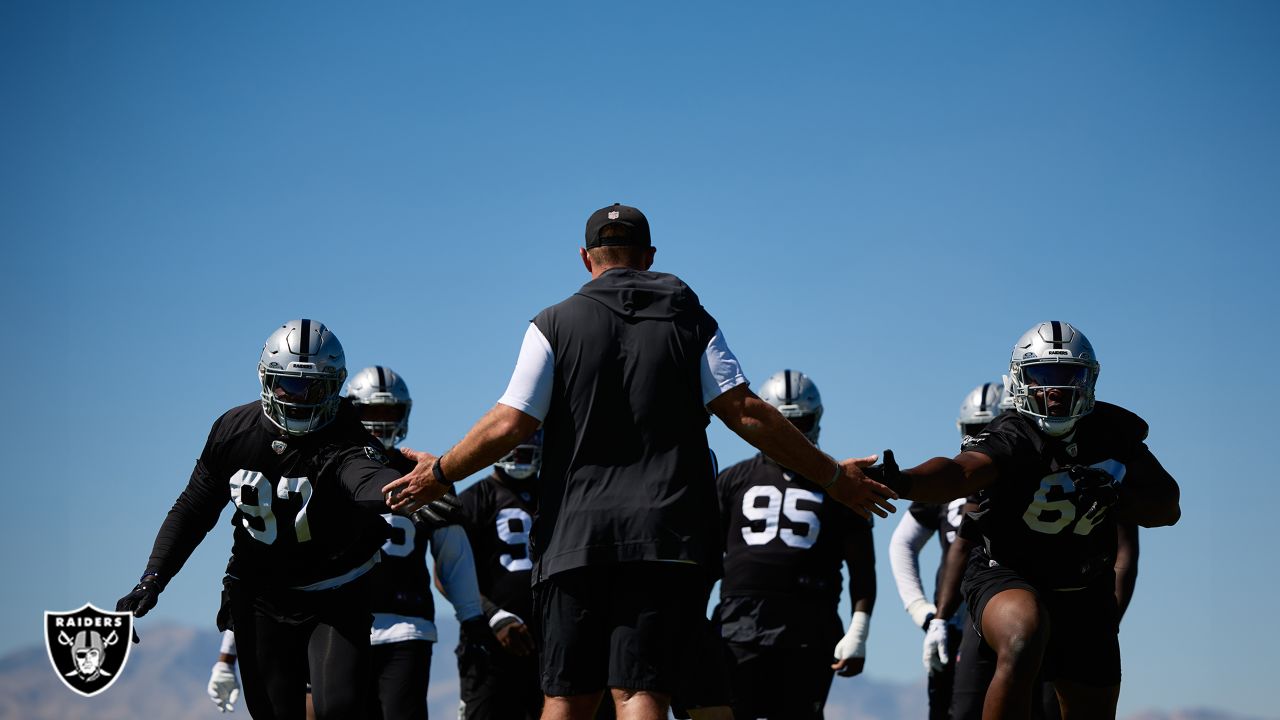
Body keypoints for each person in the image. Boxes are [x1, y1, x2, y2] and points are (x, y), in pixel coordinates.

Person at [382, 203, 898, 720]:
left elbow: (510, 423)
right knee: (639, 695)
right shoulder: (690, 318)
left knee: (566, 699)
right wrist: (833, 476)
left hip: (574, 539)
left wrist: (440, 471)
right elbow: (746, 411)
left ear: (585, 258)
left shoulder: (552, 324)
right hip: (664, 539)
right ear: (649, 257)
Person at [867, 321, 1179, 720]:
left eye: (1068, 376)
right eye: (1042, 375)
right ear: (1019, 379)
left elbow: (1168, 507)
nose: (1055, 389)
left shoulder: (1113, 434)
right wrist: (905, 481)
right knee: (1023, 634)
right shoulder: (1013, 433)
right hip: (1008, 574)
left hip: (1085, 588)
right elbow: (960, 472)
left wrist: (1119, 498)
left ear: (1089, 381)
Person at [117, 319, 402, 720]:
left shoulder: (348, 432)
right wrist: (154, 577)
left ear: (336, 386)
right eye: (290, 384)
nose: (301, 399)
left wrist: (404, 492)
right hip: (260, 594)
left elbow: (367, 478)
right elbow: (194, 509)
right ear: (266, 379)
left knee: (340, 709)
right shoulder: (234, 431)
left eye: (314, 387)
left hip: (334, 590)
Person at [713, 370, 877, 719]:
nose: (793, 434)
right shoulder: (732, 480)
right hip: (740, 619)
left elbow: (863, 566)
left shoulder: (841, 483)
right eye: (784, 423)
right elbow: (705, 554)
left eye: (800, 422)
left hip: (809, 621)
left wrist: (859, 630)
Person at [347, 365, 491, 720]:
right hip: (345, 626)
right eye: (372, 411)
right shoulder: (335, 468)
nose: (381, 422)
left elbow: (452, 555)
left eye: (389, 411)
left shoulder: (426, 475)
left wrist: (473, 618)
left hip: (407, 624)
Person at [889, 381, 1001, 720]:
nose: (979, 437)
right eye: (973, 429)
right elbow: (902, 543)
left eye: (988, 429)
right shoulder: (951, 479)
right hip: (952, 615)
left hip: (1000, 605)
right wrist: (922, 611)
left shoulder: (1021, 475)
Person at [454, 431, 545, 720]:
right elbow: (449, 575)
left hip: (550, 641)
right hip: (488, 643)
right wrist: (494, 615)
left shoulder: (558, 496)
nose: (519, 454)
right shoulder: (472, 500)